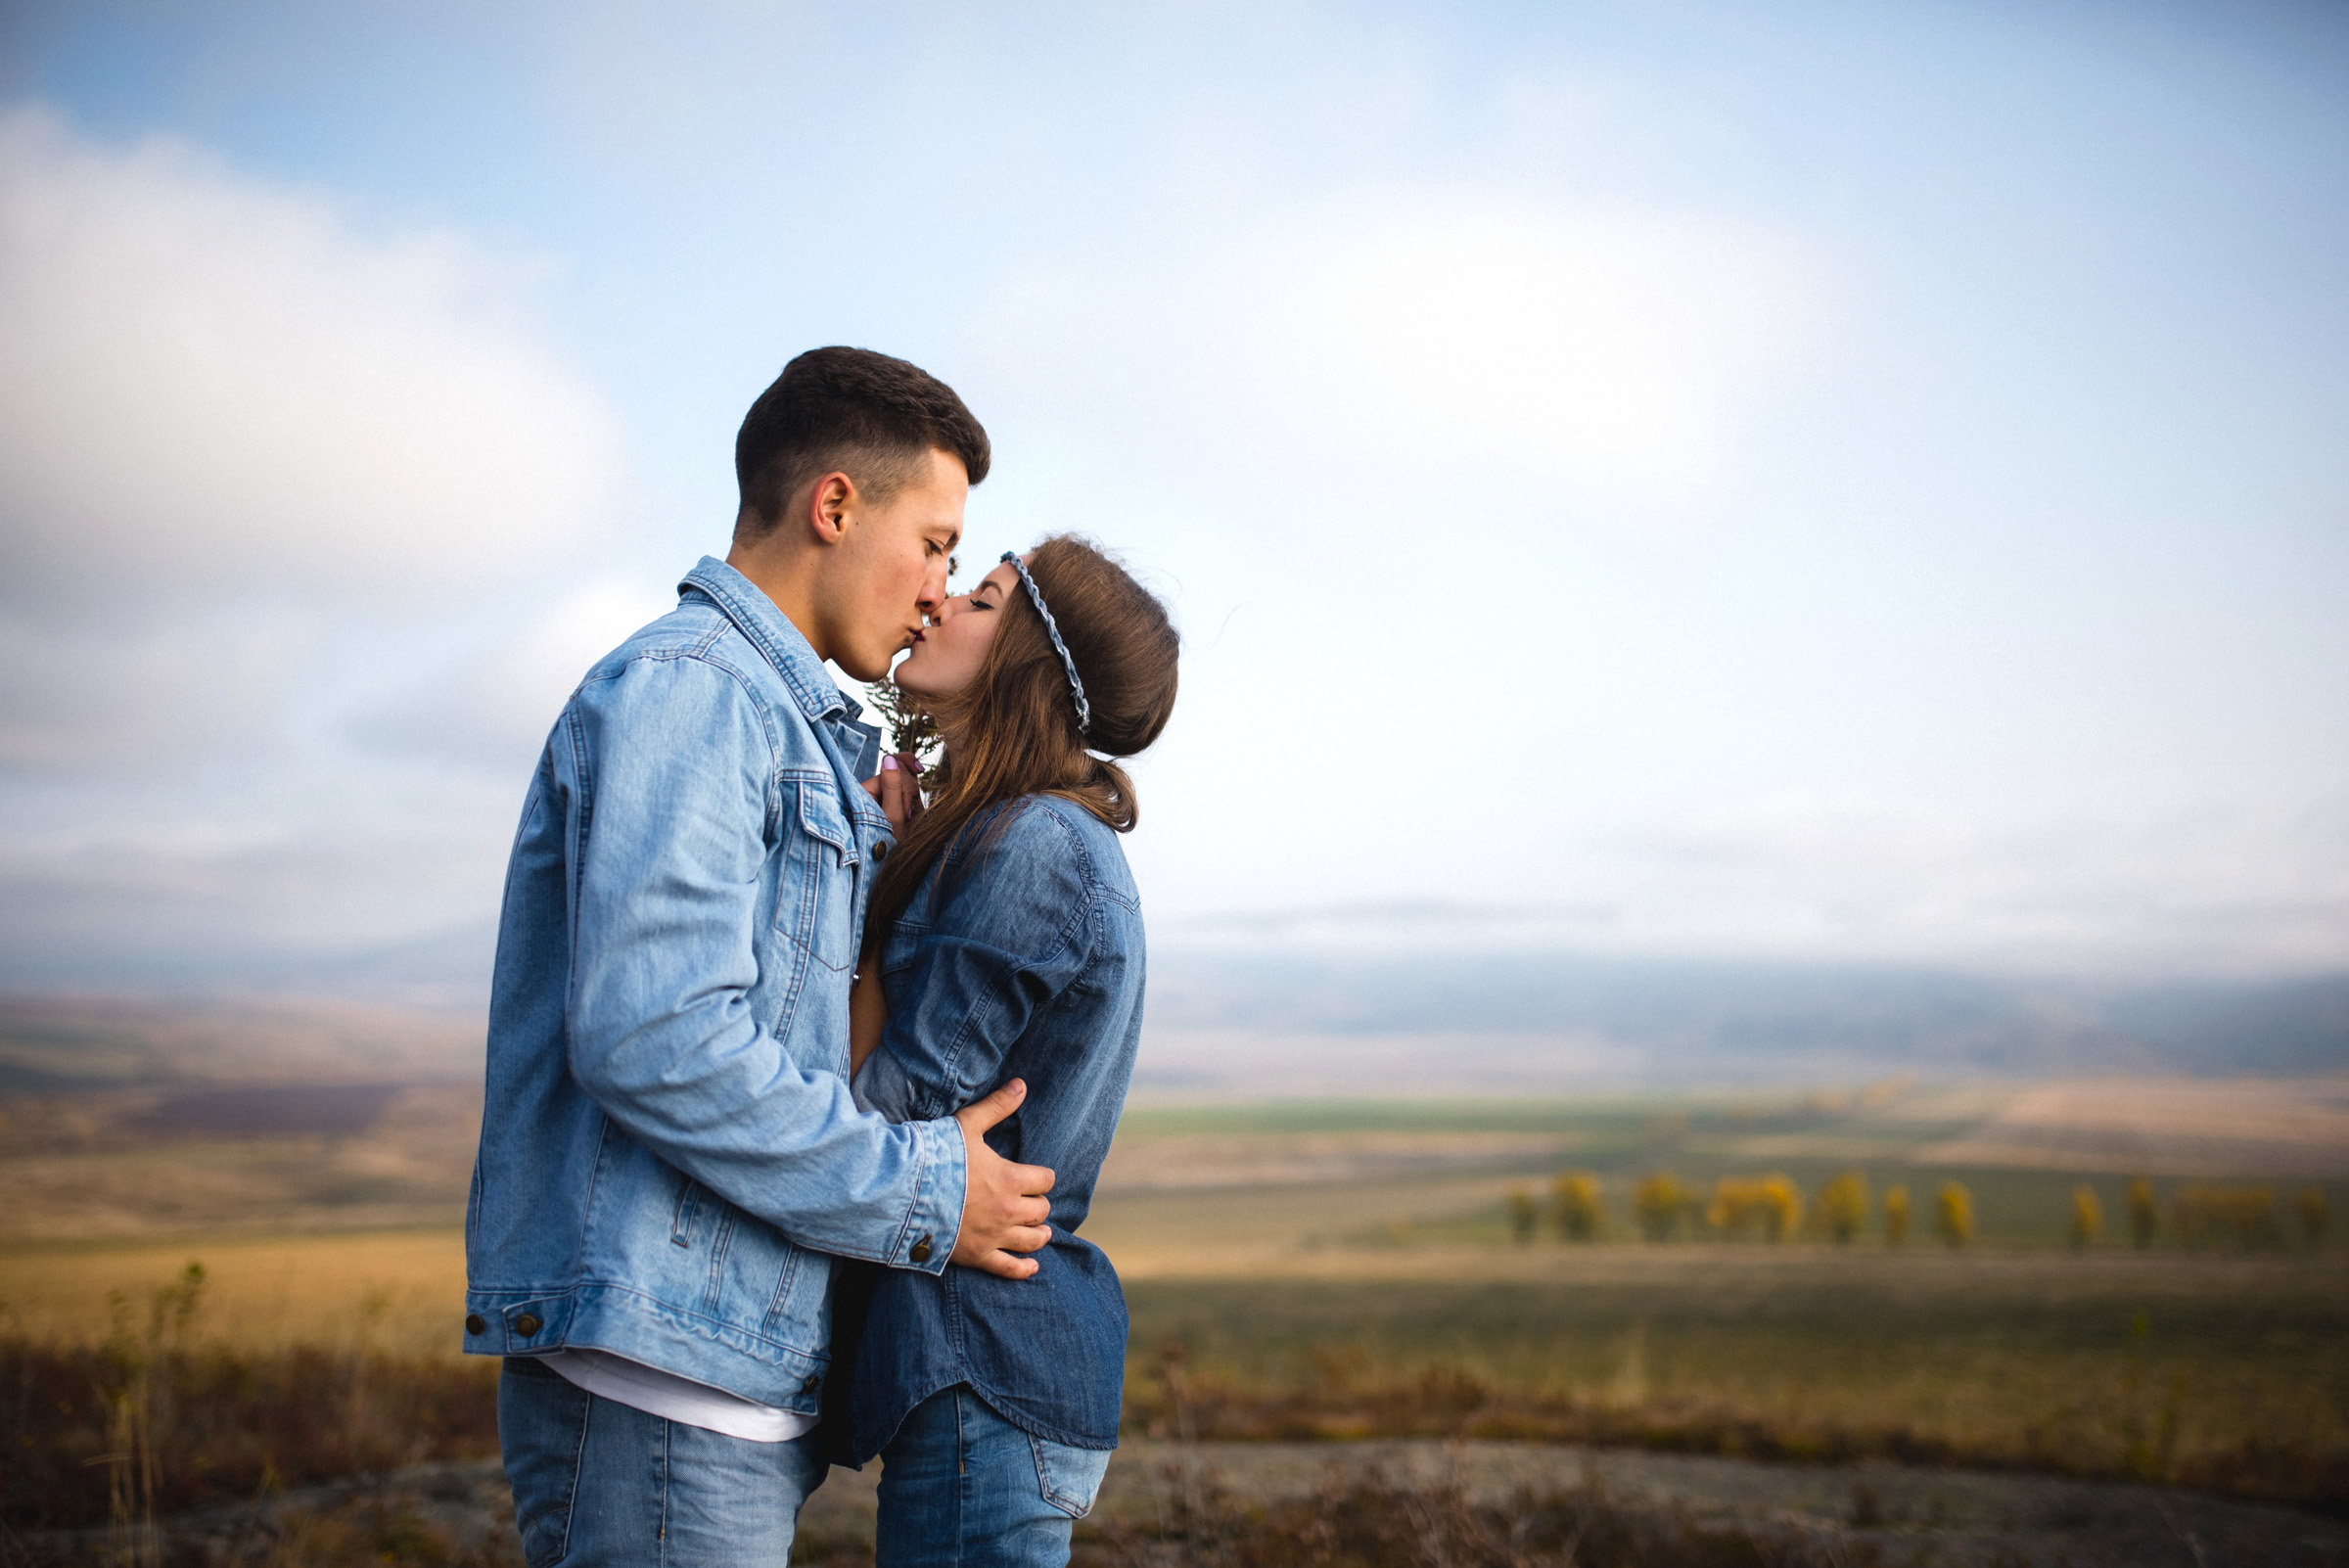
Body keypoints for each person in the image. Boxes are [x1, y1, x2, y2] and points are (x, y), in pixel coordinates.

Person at [466, 347, 1060, 1568]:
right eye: (939, 544)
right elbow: (659, 1036)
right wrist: (922, 1193)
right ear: (834, 507)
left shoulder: (777, 726)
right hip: (661, 1380)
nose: (943, 594)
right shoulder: (700, 695)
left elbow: (780, 1021)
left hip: (708, 1367)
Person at [827, 539, 1180, 1567]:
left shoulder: (1034, 847)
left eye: (980, 598)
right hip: (983, 1362)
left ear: (1030, 660)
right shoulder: (1018, 837)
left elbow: (882, 1119)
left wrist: (868, 902)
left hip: (986, 1359)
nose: (937, 602)